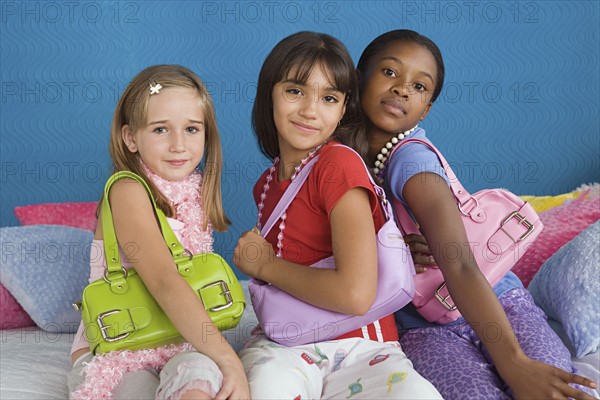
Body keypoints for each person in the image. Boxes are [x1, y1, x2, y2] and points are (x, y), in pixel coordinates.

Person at [357, 29, 598, 400]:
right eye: (390, 72)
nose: (403, 89)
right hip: (424, 326)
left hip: (500, 303)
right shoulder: (346, 161)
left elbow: (461, 265)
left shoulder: (412, 163)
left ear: (426, 109)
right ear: (359, 78)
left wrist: (515, 364)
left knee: (553, 389)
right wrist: (388, 247)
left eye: (420, 87)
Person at [233, 31, 442, 400]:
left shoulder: (338, 165)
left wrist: (264, 266)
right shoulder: (266, 184)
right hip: (288, 345)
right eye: (295, 91)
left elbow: (355, 295)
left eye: (328, 98)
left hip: (361, 348)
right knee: (262, 386)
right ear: (270, 93)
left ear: (344, 108)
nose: (310, 110)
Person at [67, 65, 249, 400]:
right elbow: (165, 280)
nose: (179, 145)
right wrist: (228, 358)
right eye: (161, 129)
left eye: (192, 129)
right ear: (130, 137)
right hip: (120, 347)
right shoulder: (127, 191)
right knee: (135, 391)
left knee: (199, 385)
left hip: (181, 337)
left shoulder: (193, 192)